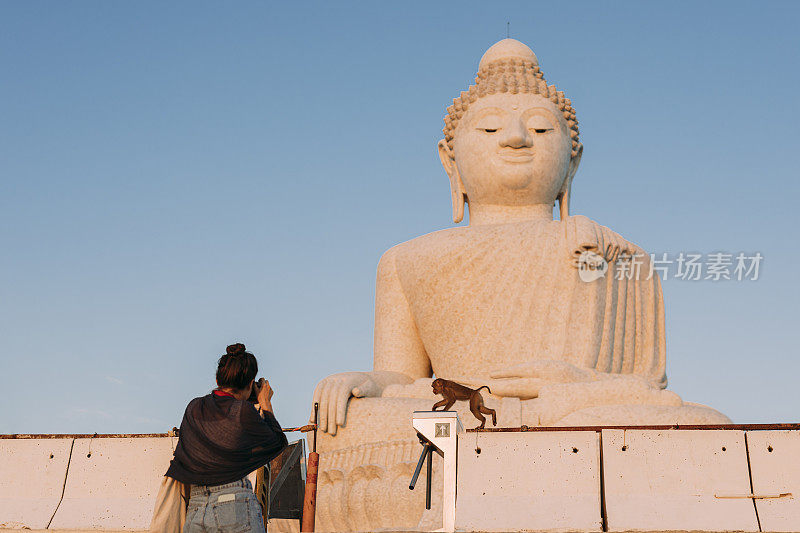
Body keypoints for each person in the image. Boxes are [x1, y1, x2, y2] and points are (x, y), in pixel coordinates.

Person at [166, 343, 288, 533]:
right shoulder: (243, 411)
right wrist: (264, 402)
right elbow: (277, 442)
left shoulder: (194, 407)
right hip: (233, 505)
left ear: (217, 378)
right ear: (250, 384)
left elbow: (223, 416)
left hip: (196, 507)